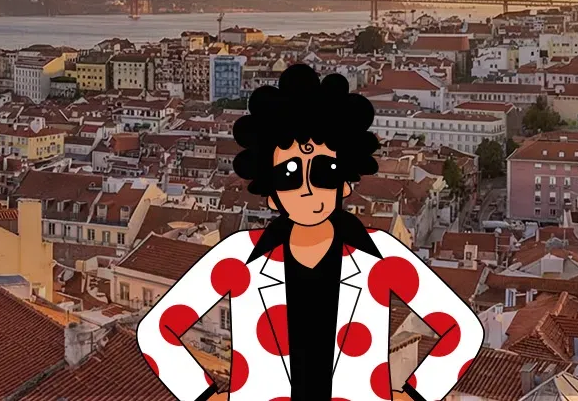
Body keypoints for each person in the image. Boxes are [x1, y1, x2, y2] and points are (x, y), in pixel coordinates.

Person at [137, 65, 480, 401]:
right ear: (271, 192)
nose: (307, 188)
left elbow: (463, 330)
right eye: (289, 175)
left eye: (324, 172)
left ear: (345, 182)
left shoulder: (380, 255)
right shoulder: (239, 257)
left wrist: (415, 395)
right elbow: (157, 332)